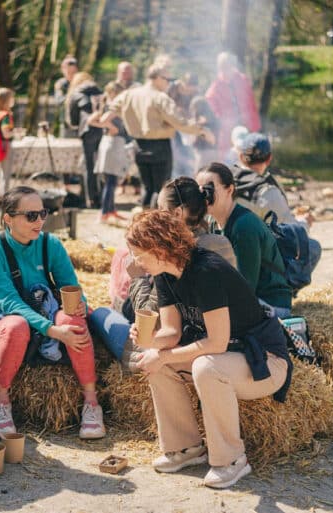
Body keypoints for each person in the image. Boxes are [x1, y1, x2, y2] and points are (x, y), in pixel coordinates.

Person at [126, 210, 293, 489]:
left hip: (264, 362)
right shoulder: (164, 274)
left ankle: (232, 460)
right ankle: (186, 448)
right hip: (225, 356)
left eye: (138, 254)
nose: (135, 262)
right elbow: (173, 332)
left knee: (205, 366)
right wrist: (151, 341)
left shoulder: (206, 271)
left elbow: (216, 342)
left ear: (158, 248)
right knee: (157, 364)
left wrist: (164, 353)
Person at [0, 186, 106, 440]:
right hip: (2, 325)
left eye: (43, 213)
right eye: (31, 216)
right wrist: (53, 330)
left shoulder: (51, 244)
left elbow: (72, 287)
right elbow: (10, 302)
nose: (40, 221)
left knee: (74, 320)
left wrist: (79, 304)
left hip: (47, 315)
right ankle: (1, 401)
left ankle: (92, 403)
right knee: (16, 325)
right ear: (8, 218)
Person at [89, 177, 237, 368]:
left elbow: (148, 320)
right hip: (208, 344)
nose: (155, 216)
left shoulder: (172, 257)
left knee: (101, 314)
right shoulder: (220, 243)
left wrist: (138, 278)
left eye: (160, 209)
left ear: (176, 213)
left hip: (176, 350)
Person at [102, 63, 213, 209]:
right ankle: (154, 222)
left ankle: (143, 221)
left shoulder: (129, 94)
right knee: (159, 189)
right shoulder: (160, 98)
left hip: (138, 146)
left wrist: (114, 127)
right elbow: (180, 123)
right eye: (167, 79)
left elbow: (106, 116)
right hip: (160, 147)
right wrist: (202, 130)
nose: (169, 83)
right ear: (158, 78)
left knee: (146, 188)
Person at [196, 163, 292, 318]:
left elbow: (244, 289)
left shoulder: (243, 227)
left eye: (208, 190)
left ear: (230, 190)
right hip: (248, 297)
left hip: (270, 304)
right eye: (199, 192)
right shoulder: (212, 222)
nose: (203, 198)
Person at [235, 133, 322, 272]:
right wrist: (304, 222)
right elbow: (292, 232)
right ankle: (280, 292)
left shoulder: (224, 181)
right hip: (256, 259)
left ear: (241, 157)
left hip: (226, 253)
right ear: (269, 159)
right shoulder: (268, 192)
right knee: (313, 247)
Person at [89, 81, 130, 223]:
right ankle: (104, 212)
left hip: (108, 143)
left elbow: (91, 120)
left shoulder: (106, 106)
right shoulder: (113, 108)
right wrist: (112, 128)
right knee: (111, 181)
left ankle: (111, 209)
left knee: (110, 179)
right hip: (113, 143)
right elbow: (97, 119)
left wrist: (104, 125)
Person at [206, 52, 261, 155]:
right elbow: (211, 103)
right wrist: (223, 121)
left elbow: (251, 103)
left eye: (228, 66)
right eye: (223, 67)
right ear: (220, 68)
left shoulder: (242, 79)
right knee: (229, 159)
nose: (227, 70)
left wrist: (255, 126)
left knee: (249, 157)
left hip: (247, 126)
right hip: (228, 131)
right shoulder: (216, 86)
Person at [65, 72, 104, 208]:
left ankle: (91, 199)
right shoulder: (99, 90)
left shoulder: (76, 92)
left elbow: (73, 118)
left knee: (89, 166)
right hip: (103, 128)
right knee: (102, 165)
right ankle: (103, 197)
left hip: (87, 131)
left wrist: (77, 125)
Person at [54, 55, 78, 137]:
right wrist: (72, 95)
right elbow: (59, 101)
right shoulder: (60, 84)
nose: (71, 75)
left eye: (73, 72)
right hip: (66, 125)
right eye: (68, 72)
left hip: (81, 125)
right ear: (63, 70)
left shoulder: (81, 83)